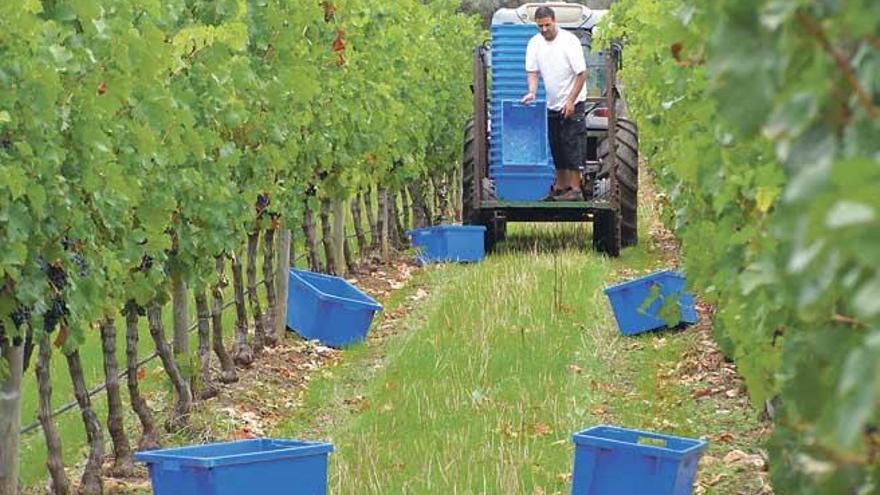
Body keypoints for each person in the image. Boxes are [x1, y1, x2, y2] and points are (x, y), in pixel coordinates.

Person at [521, 6, 587, 201]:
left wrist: (570, 101)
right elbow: (532, 71)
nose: (543, 30)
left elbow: (582, 74)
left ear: (554, 21)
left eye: (547, 25)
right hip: (553, 102)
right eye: (540, 26)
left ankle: (575, 189)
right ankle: (560, 186)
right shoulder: (534, 44)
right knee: (555, 143)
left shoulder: (569, 42)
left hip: (573, 100)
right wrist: (532, 92)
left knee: (571, 143)